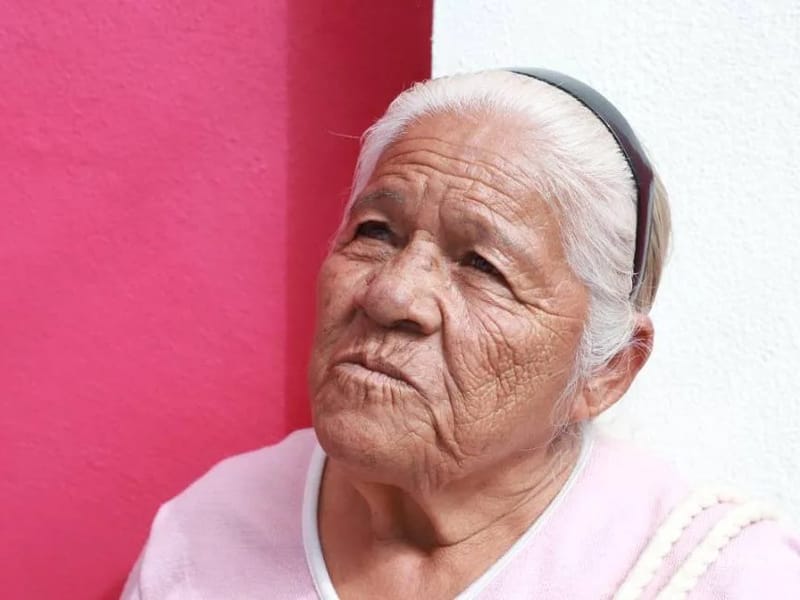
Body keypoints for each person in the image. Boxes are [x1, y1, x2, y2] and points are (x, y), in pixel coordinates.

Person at [121, 69, 800, 599]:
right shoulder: (211, 526)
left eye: (482, 265)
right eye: (375, 232)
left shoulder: (711, 576)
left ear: (607, 371)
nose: (391, 295)